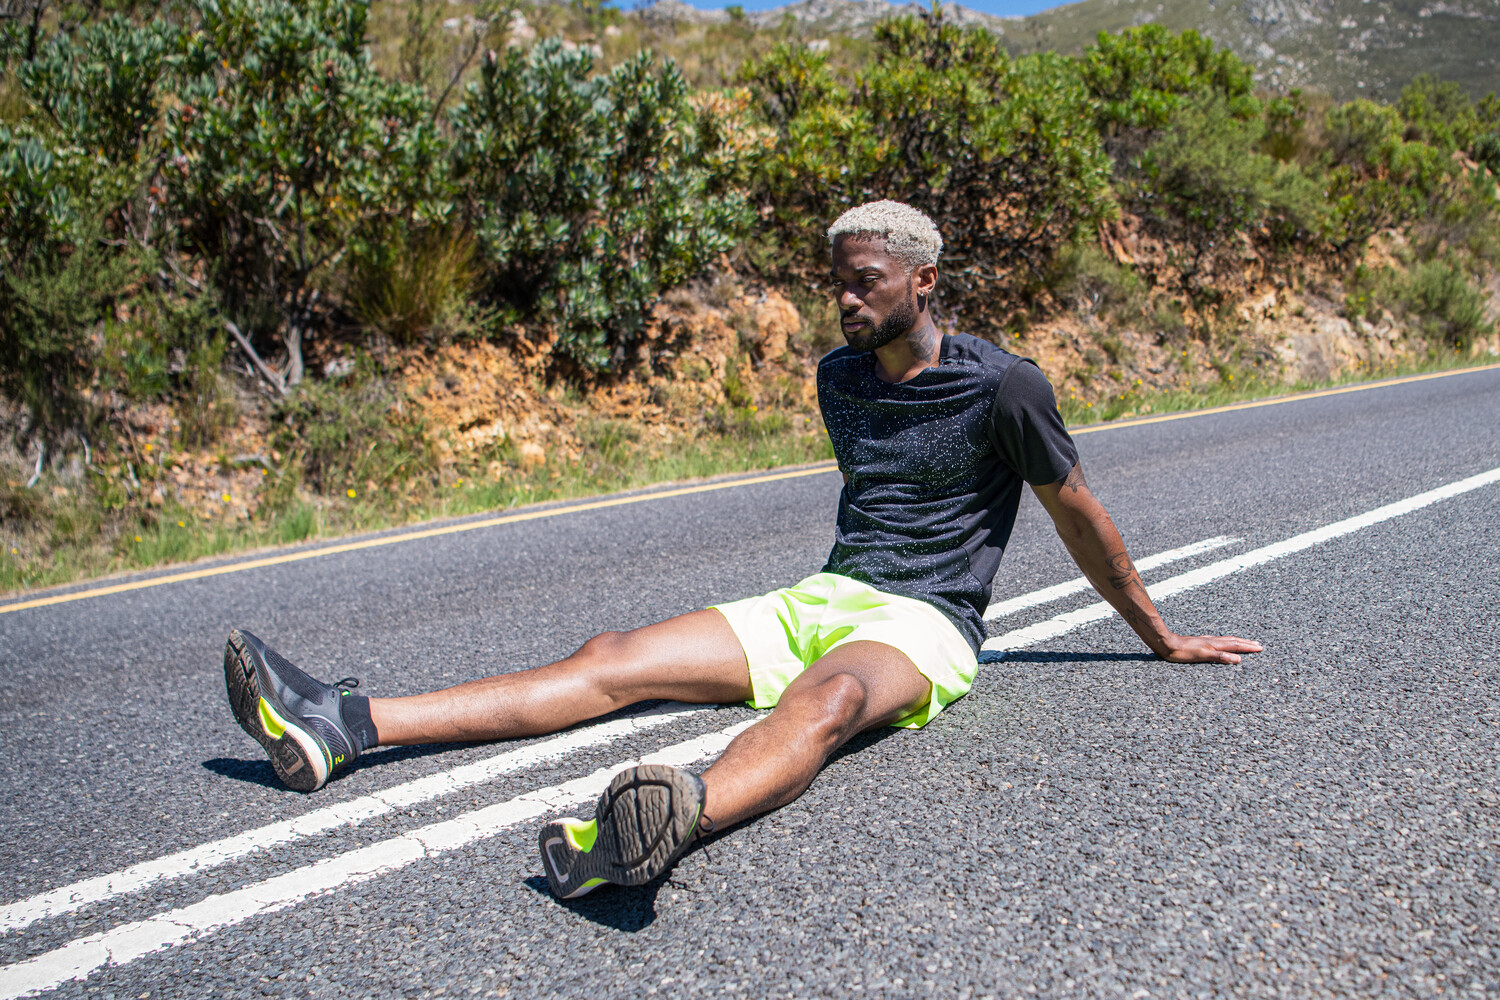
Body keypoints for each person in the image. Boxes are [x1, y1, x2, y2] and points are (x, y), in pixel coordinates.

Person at [224, 200, 1261, 899]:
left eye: (865, 282)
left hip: (925, 622)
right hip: (826, 594)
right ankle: (346, 723)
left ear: (924, 280)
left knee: (830, 700)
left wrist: (1159, 633)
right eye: (836, 284)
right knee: (611, 656)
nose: (844, 301)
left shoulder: (1006, 386)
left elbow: (1077, 512)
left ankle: (666, 823)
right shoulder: (839, 377)